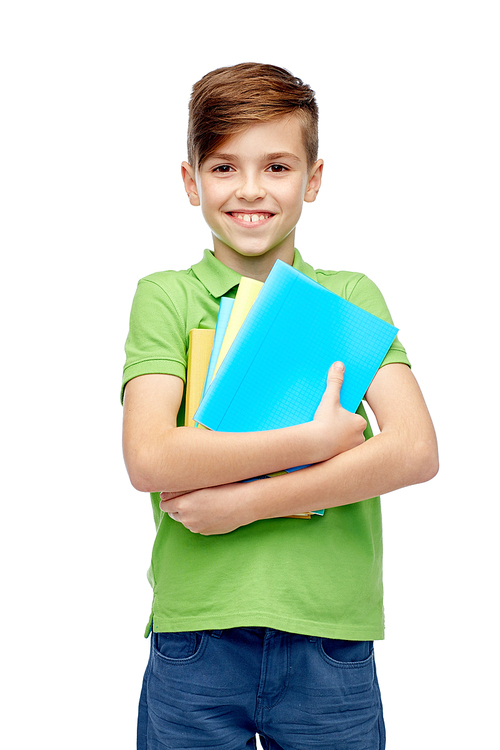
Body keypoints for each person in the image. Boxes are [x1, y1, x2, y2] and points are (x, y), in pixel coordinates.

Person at [121, 62, 438, 750]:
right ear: (191, 181)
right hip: (197, 636)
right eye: (225, 167)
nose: (251, 190)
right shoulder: (168, 296)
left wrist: (241, 502)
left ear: (314, 179)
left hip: (329, 638)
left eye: (277, 167)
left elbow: (414, 449)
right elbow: (149, 457)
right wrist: (318, 439)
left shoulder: (349, 294)